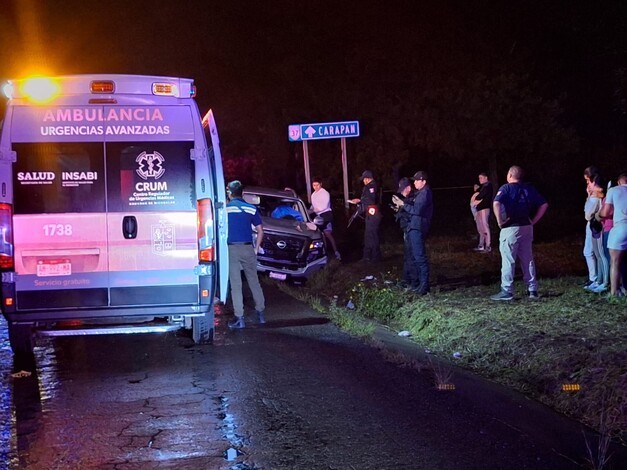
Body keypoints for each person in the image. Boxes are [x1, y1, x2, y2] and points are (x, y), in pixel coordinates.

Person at [491, 166, 548, 301]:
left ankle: (507, 290)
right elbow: (544, 204)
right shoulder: (529, 188)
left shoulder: (506, 188)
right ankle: (532, 290)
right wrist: (533, 221)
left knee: (508, 259)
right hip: (527, 227)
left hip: (510, 228)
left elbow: (496, 203)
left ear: (510, 175)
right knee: (528, 259)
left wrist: (500, 222)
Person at [225, 180, 266, 328]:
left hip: (232, 249)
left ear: (229, 193)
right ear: (242, 193)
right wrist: (256, 248)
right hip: (248, 248)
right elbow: (260, 230)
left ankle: (239, 319)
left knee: (235, 285)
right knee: (254, 281)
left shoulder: (225, 209)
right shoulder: (251, 208)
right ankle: (261, 315)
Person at [393, 171, 433, 295]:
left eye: (417, 180)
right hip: (413, 227)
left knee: (419, 257)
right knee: (414, 257)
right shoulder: (419, 193)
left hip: (418, 227)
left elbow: (416, 210)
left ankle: (424, 286)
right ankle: (419, 284)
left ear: (423, 181)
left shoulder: (425, 193)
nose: (414, 182)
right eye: (414, 180)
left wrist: (403, 204)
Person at [599, 171, 627, 297]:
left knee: (615, 262)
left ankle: (614, 292)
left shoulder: (614, 190)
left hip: (620, 227)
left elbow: (606, 212)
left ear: (619, 181)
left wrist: (597, 215)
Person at [349, 170, 382, 262]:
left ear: (367, 179)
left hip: (373, 215)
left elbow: (371, 201)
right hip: (370, 214)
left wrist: (359, 201)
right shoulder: (370, 186)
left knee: (373, 236)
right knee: (368, 236)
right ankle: (367, 256)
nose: (363, 181)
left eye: (364, 179)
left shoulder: (371, 187)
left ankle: (375, 257)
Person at [392, 177, 418, 288]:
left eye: (403, 189)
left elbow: (412, 212)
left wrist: (402, 205)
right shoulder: (408, 198)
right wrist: (398, 209)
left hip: (411, 229)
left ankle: (414, 282)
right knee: (407, 256)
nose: (402, 192)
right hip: (406, 229)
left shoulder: (413, 198)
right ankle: (406, 280)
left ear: (408, 188)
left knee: (411, 256)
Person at [310, 177, 341, 260]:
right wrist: (308, 211)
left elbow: (322, 207)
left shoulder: (325, 193)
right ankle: (321, 253)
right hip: (318, 216)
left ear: (321, 184)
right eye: (314, 185)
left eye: (317, 185)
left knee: (327, 233)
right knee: (319, 234)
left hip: (326, 215)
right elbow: (313, 206)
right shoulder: (313, 195)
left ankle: (336, 252)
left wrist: (312, 210)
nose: (315, 187)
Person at [582, 166, 601, 289]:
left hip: (594, 224)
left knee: (589, 251)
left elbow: (587, 215)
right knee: (593, 251)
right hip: (594, 224)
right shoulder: (600, 192)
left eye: (588, 181)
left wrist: (589, 196)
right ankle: (594, 278)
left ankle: (594, 279)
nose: (587, 184)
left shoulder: (595, 195)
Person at [471, 172, 494, 252]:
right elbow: (478, 196)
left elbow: (480, 196)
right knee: (480, 228)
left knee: (485, 226)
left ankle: (488, 246)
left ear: (486, 177)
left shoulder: (488, 185)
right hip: (480, 209)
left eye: (481, 178)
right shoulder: (483, 187)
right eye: (479, 178)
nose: (479, 180)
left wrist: (477, 196)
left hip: (484, 208)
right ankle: (481, 245)